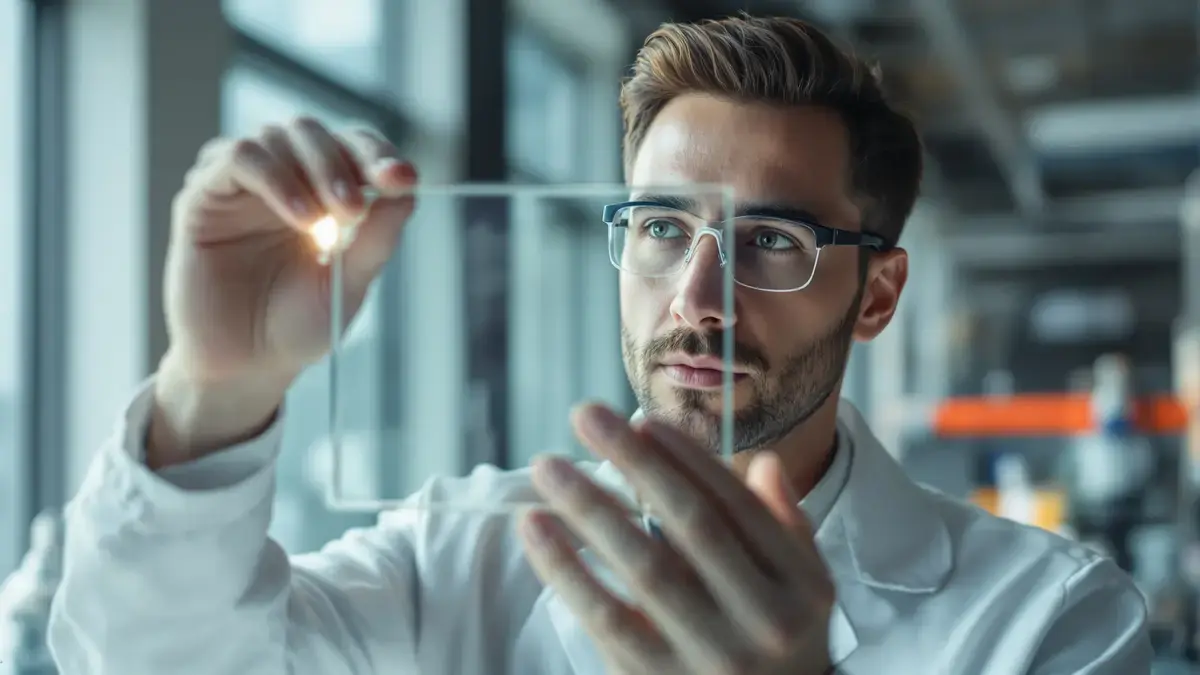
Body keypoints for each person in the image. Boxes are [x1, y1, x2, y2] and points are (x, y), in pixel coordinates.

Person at [48, 14, 1150, 675]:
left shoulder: (1049, 618)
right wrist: (215, 386)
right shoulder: (459, 553)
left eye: (773, 241)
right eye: (663, 228)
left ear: (878, 294)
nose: (700, 301)